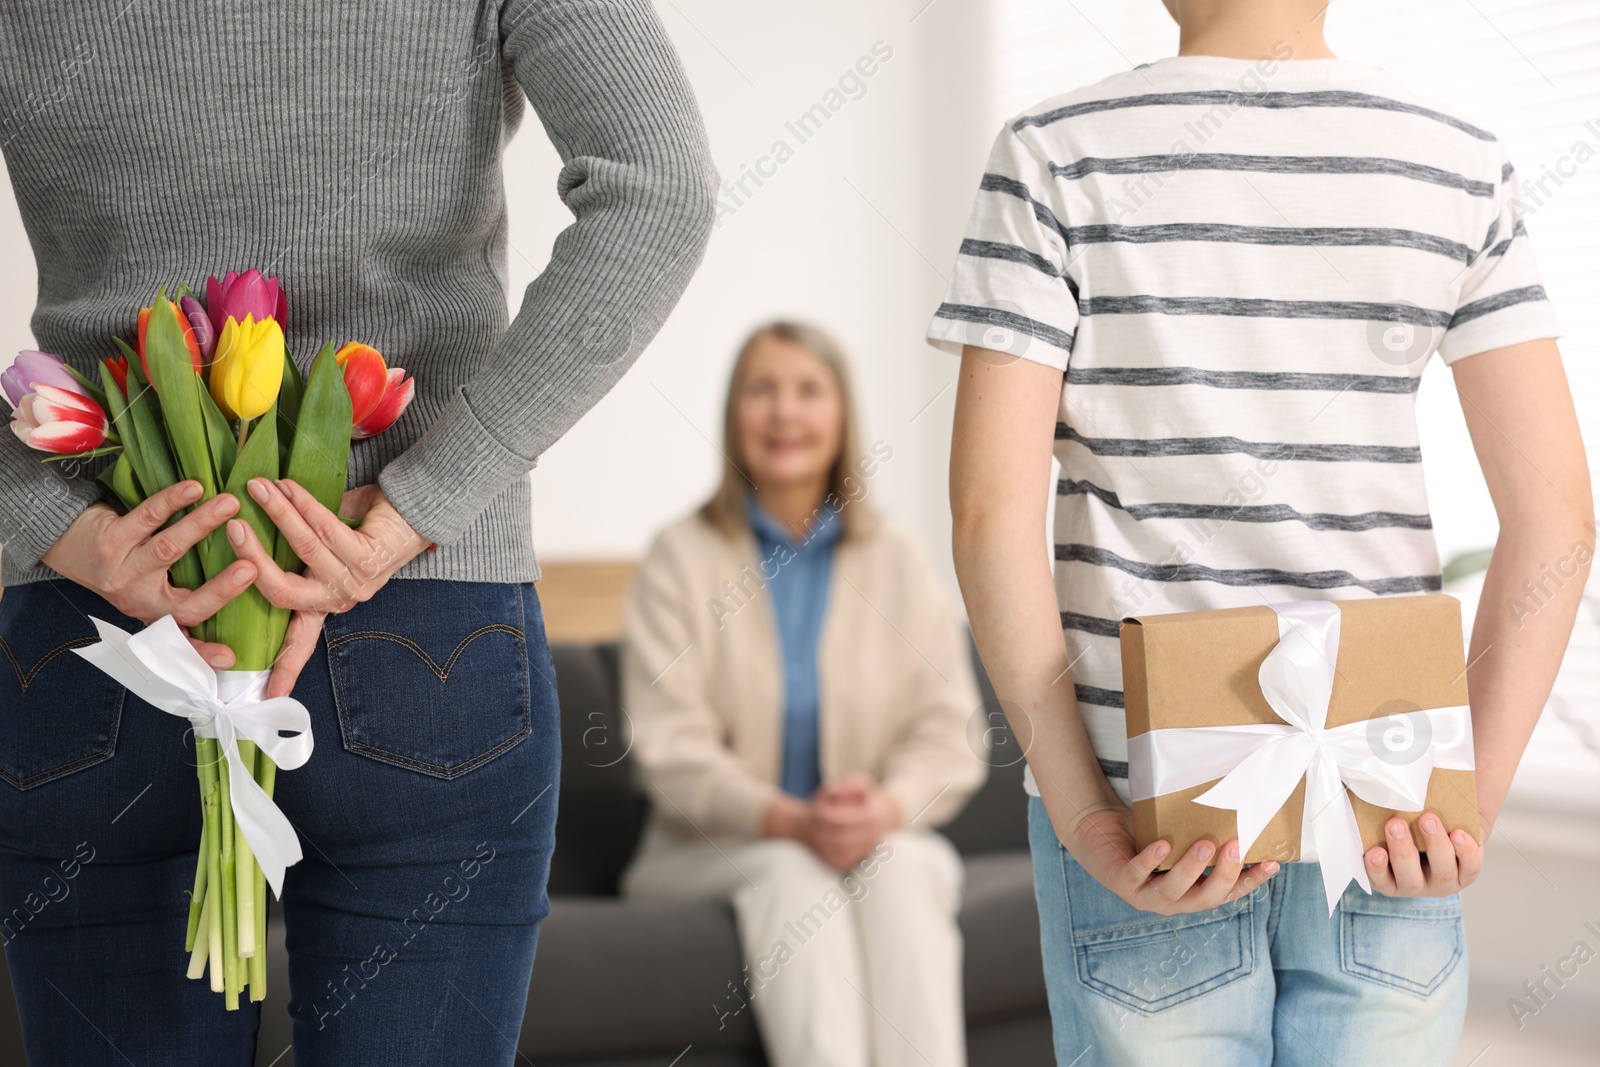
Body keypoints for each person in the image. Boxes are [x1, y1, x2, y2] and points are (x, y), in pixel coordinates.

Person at [0, 2, 716, 1064]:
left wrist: (47, 521)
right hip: (423, 629)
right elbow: (663, 188)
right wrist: (422, 502)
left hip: (103, 628)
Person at [931, 1, 1592, 1064]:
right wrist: (1469, 799)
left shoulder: (1053, 154)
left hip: (1144, 798)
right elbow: (1557, 514)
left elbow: (987, 516)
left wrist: (1080, 810)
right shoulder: (1455, 160)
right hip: (1386, 794)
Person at [619, 321, 986, 1067]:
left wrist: (881, 809)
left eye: (808, 390)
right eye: (763, 389)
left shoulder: (898, 559)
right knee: (796, 873)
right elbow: (669, 749)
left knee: (905, 863)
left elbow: (949, 734)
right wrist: (791, 819)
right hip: (710, 849)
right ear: (733, 415)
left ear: (842, 417)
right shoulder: (678, 558)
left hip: (869, 832)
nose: (785, 411)